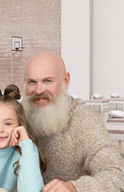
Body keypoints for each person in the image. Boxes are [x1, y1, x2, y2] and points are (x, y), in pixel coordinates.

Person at [21, 51, 124, 192]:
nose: (39, 90)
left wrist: (74, 187)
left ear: (66, 81)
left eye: (47, 81)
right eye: (32, 82)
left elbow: (116, 175)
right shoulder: (17, 118)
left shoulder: (85, 123)